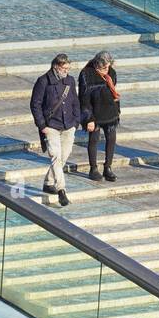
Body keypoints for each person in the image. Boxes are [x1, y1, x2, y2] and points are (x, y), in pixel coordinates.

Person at [30, 53, 81, 208]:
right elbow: (35, 104)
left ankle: (49, 182)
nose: (67, 71)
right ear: (56, 67)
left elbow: (75, 101)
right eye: (64, 68)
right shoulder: (43, 81)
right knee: (55, 157)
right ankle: (61, 190)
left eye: (68, 68)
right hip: (51, 125)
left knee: (64, 156)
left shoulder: (70, 81)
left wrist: (76, 121)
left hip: (68, 125)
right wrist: (42, 125)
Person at [79, 51, 120, 182]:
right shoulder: (86, 74)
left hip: (110, 112)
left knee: (111, 139)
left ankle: (108, 167)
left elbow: (114, 90)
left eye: (108, 66)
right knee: (94, 140)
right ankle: (93, 168)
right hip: (95, 113)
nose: (107, 70)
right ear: (97, 65)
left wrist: (117, 110)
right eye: (104, 68)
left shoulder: (111, 72)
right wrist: (88, 118)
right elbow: (83, 99)